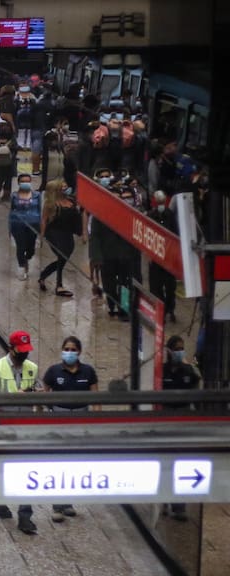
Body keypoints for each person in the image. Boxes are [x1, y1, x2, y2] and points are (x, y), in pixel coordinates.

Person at [0, 330, 39, 534]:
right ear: (11, 348)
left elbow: (38, 391)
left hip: (25, 426)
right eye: (21, 350)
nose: (25, 354)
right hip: (2, 425)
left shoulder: (32, 368)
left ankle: (25, 516)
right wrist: (17, 395)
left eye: (27, 350)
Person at [43, 336, 99, 523]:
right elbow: (44, 395)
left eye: (72, 349)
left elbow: (96, 399)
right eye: (66, 349)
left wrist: (96, 423)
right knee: (58, 461)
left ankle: (68, 502)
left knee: (73, 462)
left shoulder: (88, 372)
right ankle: (57, 505)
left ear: (79, 352)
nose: (69, 352)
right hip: (58, 418)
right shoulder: (53, 371)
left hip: (80, 419)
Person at [161, 335, 201, 521]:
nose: (179, 352)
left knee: (181, 462)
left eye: (181, 348)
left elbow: (198, 388)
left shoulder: (188, 371)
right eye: (176, 348)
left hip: (183, 419)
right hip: (165, 418)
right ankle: (163, 500)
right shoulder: (161, 372)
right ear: (168, 350)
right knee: (166, 461)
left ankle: (179, 505)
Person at [38, 180, 82, 297]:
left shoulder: (71, 201)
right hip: (54, 232)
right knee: (62, 255)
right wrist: (42, 236)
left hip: (68, 233)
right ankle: (59, 285)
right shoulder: (50, 204)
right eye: (63, 187)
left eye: (66, 186)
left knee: (64, 257)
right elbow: (44, 220)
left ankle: (43, 276)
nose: (66, 189)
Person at [147, 190, 178, 323]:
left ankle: (170, 308)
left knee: (170, 286)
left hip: (169, 256)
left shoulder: (170, 215)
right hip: (155, 256)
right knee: (155, 286)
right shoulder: (150, 215)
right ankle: (161, 310)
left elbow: (175, 234)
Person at [9, 173, 42, 280]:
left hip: (33, 224)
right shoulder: (14, 196)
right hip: (17, 225)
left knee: (31, 249)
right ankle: (21, 267)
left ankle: (27, 258)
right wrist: (9, 227)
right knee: (20, 246)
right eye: (23, 181)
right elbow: (11, 211)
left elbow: (39, 210)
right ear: (19, 183)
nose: (25, 184)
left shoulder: (37, 195)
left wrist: (41, 227)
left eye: (27, 181)